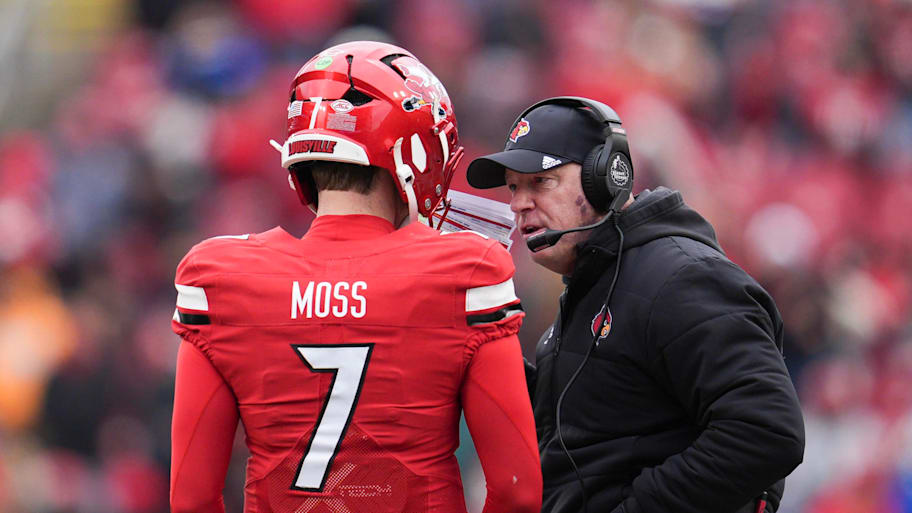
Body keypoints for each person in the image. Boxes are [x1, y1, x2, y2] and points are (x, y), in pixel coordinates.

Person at [169, 41, 542, 513]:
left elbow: (192, 499)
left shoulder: (222, 277)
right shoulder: (463, 271)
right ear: (413, 153)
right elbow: (517, 493)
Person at [466, 96, 805, 513]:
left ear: (606, 177)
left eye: (541, 181)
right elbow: (591, 432)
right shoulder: (598, 284)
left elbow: (766, 431)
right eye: (514, 187)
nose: (519, 203)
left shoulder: (680, 278)